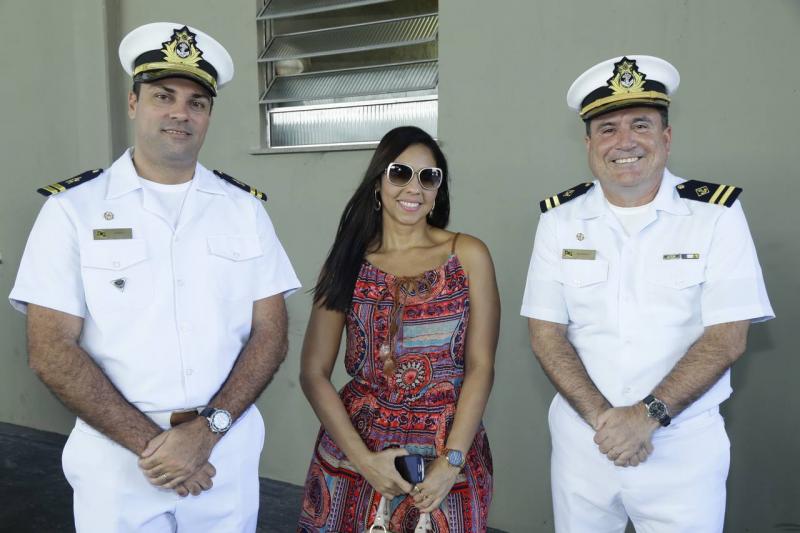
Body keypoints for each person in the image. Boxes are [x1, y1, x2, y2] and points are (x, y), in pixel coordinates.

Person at [9, 22, 300, 532]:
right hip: (118, 462)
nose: (179, 113)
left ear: (208, 116)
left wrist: (206, 434)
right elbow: (51, 349)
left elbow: (270, 333)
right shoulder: (73, 210)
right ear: (133, 103)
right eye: (163, 96)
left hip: (223, 453)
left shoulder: (243, 210)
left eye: (196, 102)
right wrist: (158, 448)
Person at [520, 54, 775, 532]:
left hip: (682, 450)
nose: (625, 142)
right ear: (589, 144)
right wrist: (606, 420)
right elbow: (545, 334)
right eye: (608, 129)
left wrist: (646, 417)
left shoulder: (716, 215)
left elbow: (727, 338)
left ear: (666, 137)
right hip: (586, 445)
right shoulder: (559, 220)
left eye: (641, 124)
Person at [297, 126, 498, 532]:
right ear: (378, 182)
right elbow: (313, 372)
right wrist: (364, 461)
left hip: (445, 454)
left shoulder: (468, 255)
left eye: (428, 177)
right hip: (356, 451)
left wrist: (451, 461)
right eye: (400, 173)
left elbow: (481, 366)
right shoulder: (347, 261)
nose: (414, 188)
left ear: (438, 189)